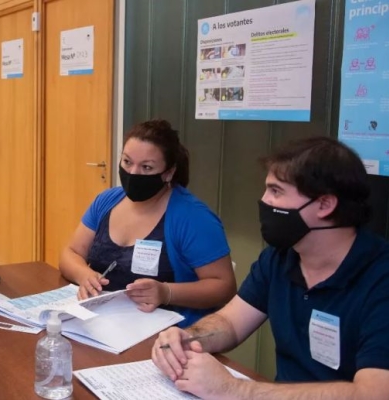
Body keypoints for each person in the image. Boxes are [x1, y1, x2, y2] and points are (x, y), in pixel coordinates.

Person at [152, 137, 389, 399]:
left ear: (324, 204)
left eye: (276, 191)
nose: (264, 201)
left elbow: (374, 393)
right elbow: (230, 323)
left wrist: (235, 389)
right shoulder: (280, 258)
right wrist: (185, 339)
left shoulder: (380, 277)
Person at [59, 120, 236, 327]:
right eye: (127, 162)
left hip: (165, 335)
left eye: (146, 167)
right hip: (101, 325)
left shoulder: (194, 218)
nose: (133, 173)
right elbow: (70, 253)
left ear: (168, 172)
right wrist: (84, 275)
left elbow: (224, 287)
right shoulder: (106, 201)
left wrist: (167, 292)